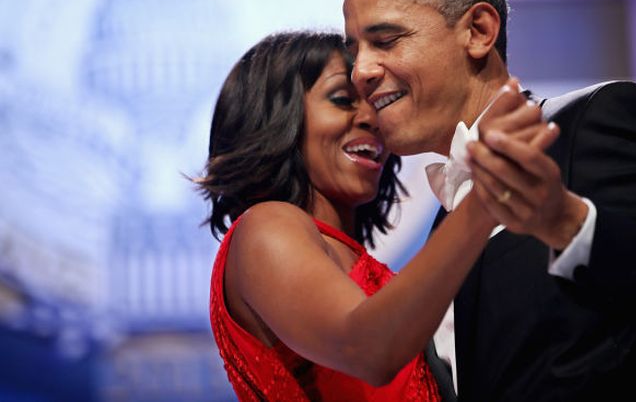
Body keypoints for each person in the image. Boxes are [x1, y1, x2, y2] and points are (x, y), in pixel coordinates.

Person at [343, 0, 636, 401]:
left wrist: (569, 224)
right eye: (354, 51)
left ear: (479, 31)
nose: (360, 71)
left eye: (385, 41)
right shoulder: (446, 229)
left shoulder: (593, 121)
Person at [194, 31, 555, 401]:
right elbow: (367, 350)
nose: (372, 118)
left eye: (377, 103)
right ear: (273, 119)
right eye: (342, 100)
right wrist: (484, 197)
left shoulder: (361, 267)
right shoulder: (265, 228)